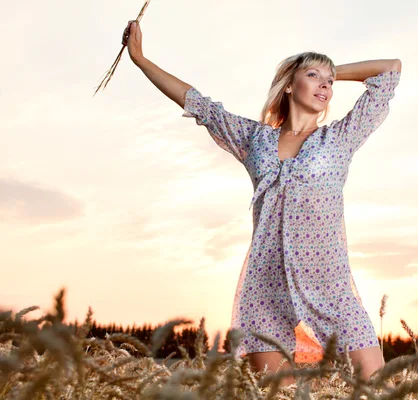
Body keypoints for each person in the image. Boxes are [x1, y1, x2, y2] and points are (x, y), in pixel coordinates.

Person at [123, 20, 401, 386]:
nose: (325, 85)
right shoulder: (254, 138)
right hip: (265, 290)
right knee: (276, 396)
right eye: (314, 75)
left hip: (330, 286)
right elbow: (197, 103)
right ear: (289, 85)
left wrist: (334, 68)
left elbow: (391, 70)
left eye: (329, 81)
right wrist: (140, 59)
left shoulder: (341, 138)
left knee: (375, 387)